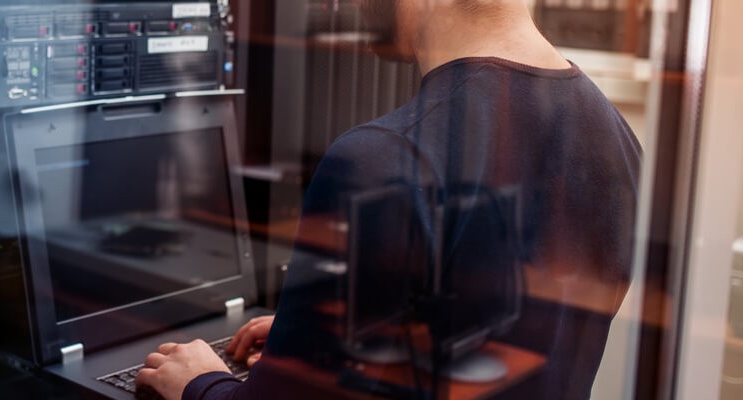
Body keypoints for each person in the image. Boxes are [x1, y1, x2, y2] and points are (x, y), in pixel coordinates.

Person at [135, 0, 642, 399]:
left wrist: (201, 382)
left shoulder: (379, 160)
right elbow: (502, 336)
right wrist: (317, 335)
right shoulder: (615, 136)